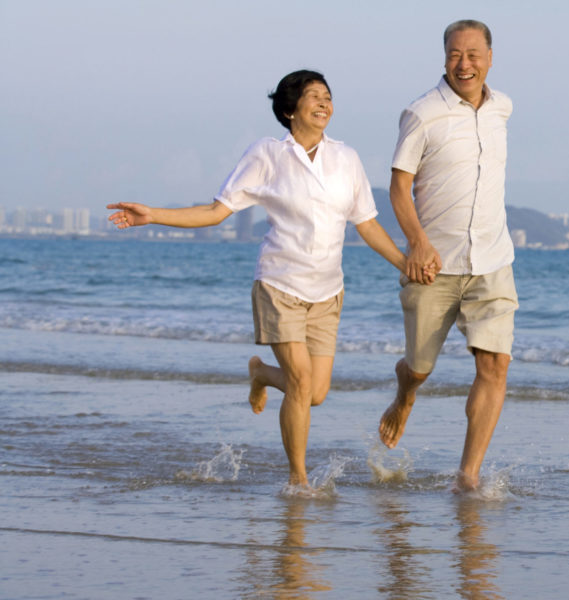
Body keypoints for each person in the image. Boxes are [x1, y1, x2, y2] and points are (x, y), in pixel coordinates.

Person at [107, 70, 427, 489]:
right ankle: (299, 480)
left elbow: (366, 225)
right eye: (314, 96)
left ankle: (259, 372)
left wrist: (405, 263)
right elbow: (216, 211)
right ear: (290, 109)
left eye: (328, 96)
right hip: (280, 284)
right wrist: (154, 215)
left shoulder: (346, 158)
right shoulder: (267, 155)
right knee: (298, 381)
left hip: (328, 291)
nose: (324, 103)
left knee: (315, 393)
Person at [379, 19, 518, 493]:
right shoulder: (421, 114)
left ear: (490, 58)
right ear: (444, 59)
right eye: (456, 55)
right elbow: (398, 186)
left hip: (493, 261)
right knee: (420, 367)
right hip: (435, 264)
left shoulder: (502, 108)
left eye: (474, 54)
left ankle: (468, 475)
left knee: (495, 365)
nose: (465, 64)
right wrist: (417, 241)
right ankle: (405, 394)